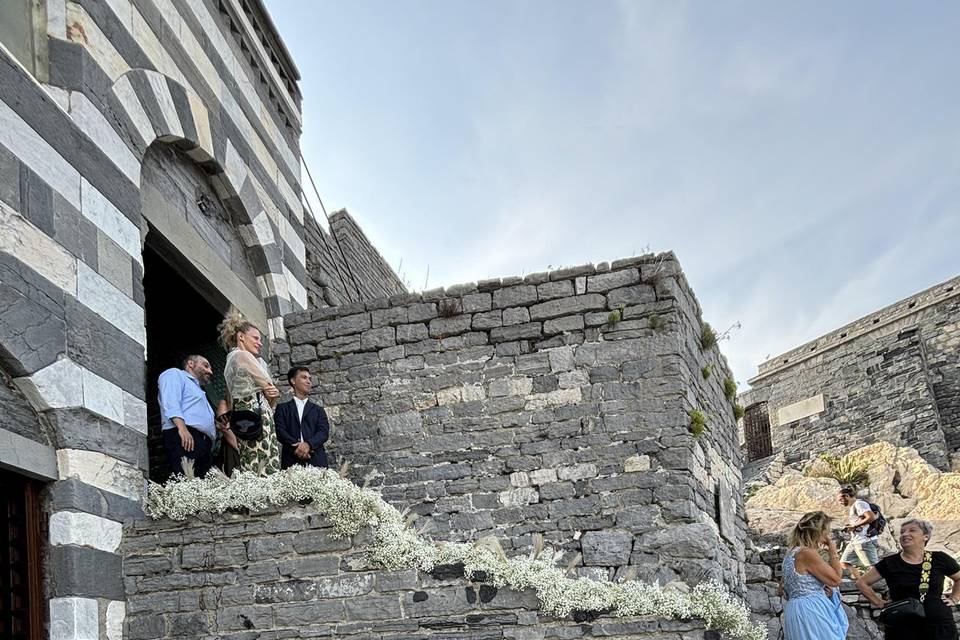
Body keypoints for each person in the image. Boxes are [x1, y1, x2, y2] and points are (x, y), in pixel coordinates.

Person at [856, 519, 960, 640]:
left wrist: (954, 598)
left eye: (912, 530)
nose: (905, 534)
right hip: (902, 626)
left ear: (925, 536)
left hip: (939, 624)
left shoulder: (940, 558)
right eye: (902, 532)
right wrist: (878, 602)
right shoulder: (889, 563)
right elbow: (862, 582)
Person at [219, 308, 281, 476]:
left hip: (244, 414)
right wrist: (272, 393)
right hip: (258, 415)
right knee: (266, 464)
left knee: (250, 462)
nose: (259, 343)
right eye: (255, 338)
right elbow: (269, 387)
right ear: (240, 336)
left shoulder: (229, 360)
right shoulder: (243, 356)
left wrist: (271, 395)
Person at [780, 511, 848, 640]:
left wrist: (815, 589)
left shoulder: (790, 555)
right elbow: (836, 580)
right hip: (812, 609)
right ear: (818, 532)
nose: (827, 535)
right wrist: (833, 552)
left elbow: (782, 589)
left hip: (794, 610)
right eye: (826, 531)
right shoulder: (807, 553)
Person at [158, 355, 216, 479]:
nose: (210, 371)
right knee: (185, 481)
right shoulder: (175, 374)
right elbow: (171, 400)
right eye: (206, 366)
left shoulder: (200, 390)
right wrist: (182, 428)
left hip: (202, 444)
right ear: (191, 363)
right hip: (185, 436)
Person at [274, 366, 330, 469]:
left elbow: (323, 432)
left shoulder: (318, 410)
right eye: (304, 377)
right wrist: (297, 448)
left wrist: (308, 445)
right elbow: (280, 431)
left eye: (310, 379)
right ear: (293, 381)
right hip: (291, 460)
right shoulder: (282, 408)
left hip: (316, 460)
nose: (308, 381)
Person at [837, 486, 878, 579]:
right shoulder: (853, 507)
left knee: (873, 567)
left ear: (847, 496)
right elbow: (860, 521)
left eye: (840, 500)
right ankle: (860, 582)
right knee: (844, 562)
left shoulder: (859, 504)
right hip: (855, 541)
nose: (840, 503)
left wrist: (854, 526)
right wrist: (851, 526)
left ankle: (877, 587)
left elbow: (871, 517)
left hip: (865, 541)